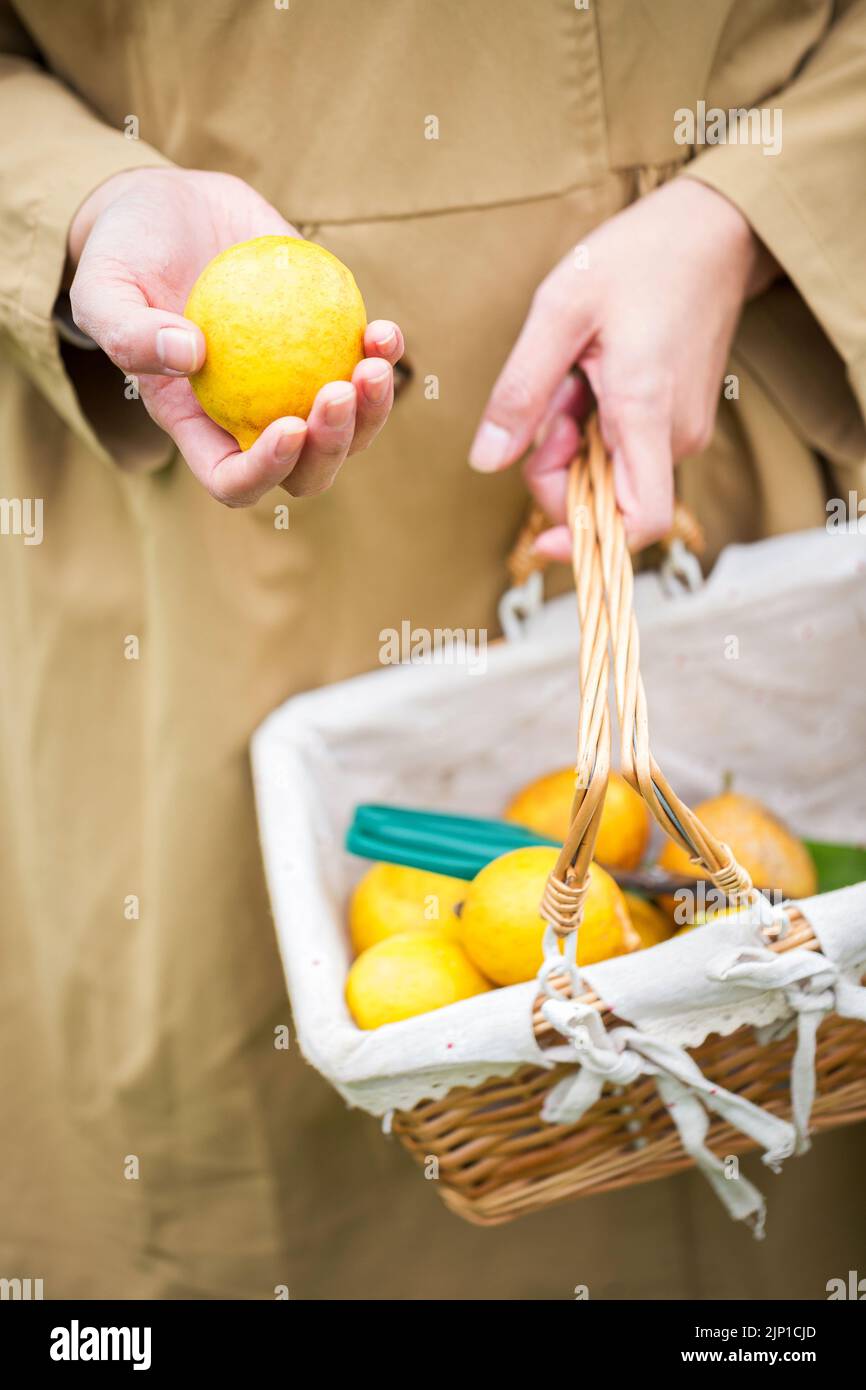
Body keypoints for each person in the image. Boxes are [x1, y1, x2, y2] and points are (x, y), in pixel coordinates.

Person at [1, 0, 864, 1300]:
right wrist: (80, 200)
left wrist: (751, 206)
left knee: (745, 1113)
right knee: (270, 1147)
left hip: (696, 442)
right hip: (199, 543)